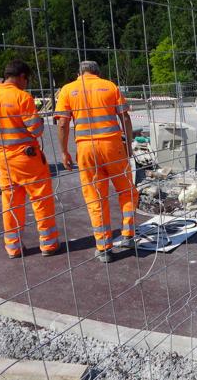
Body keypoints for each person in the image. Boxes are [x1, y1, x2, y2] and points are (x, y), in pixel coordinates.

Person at [55, 61, 138, 263]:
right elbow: (125, 118)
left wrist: (64, 151)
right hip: (112, 146)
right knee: (126, 190)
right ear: (97, 72)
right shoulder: (109, 86)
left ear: (79, 73)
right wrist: (128, 144)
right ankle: (128, 235)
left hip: (86, 149)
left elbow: (63, 123)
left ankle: (103, 248)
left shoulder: (68, 89)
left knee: (95, 197)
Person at [0, 59, 59, 258]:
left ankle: (13, 247)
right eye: (27, 80)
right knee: (41, 200)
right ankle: (48, 244)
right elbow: (37, 129)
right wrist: (38, 120)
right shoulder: (22, 97)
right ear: (22, 76)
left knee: (11, 203)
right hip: (26, 157)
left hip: (4, 157)